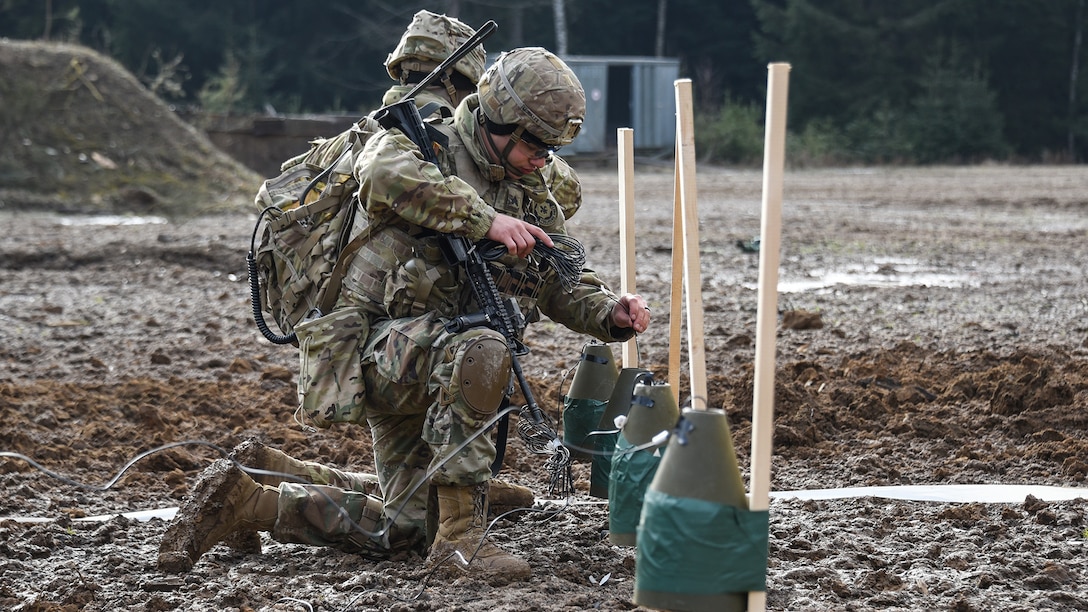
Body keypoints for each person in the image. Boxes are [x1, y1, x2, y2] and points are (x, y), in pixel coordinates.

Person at [158, 47, 650, 583]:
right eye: (535, 144)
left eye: (553, 149)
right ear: (496, 119)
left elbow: (559, 277)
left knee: (405, 529)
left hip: (435, 362)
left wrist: (610, 310)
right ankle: (461, 543)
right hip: (371, 349)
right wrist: (485, 221)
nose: (544, 159)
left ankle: (255, 493)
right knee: (484, 350)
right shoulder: (422, 143)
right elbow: (382, 175)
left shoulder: (530, 185)